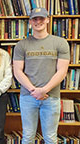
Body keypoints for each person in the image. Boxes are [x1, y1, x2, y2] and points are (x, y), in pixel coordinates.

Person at [13, 8, 70, 144]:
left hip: (51, 97)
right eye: (35, 19)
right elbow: (17, 71)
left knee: (50, 138)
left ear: (48, 20)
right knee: (28, 137)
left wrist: (44, 90)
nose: (38, 21)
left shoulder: (60, 43)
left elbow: (62, 71)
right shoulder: (22, 45)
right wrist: (34, 90)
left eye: (41, 18)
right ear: (30, 22)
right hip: (28, 96)